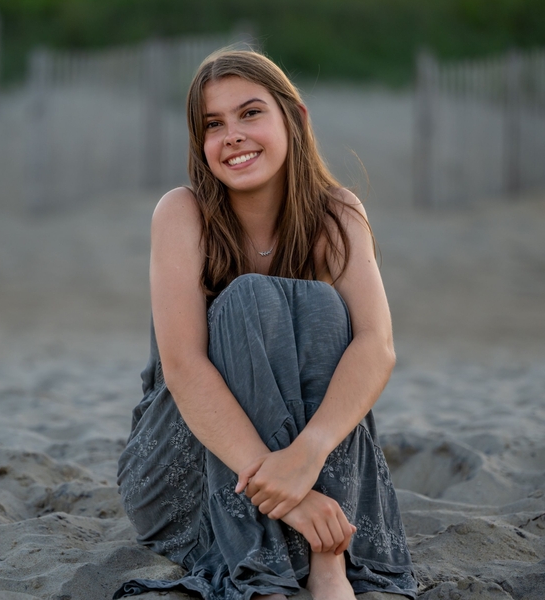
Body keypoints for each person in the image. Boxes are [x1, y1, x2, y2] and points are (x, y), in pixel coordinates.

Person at [113, 49, 417, 600]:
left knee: (325, 308)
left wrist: (308, 454)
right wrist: (292, 496)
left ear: (294, 119)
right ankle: (279, 562)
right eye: (213, 124)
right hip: (181, 465)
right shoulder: (182, 214)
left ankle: (326, 559)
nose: (232, 135)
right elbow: (183, 368)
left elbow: (378, 346)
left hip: (306, 467)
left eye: (250, 113)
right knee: (249, 298)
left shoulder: (336, 215)